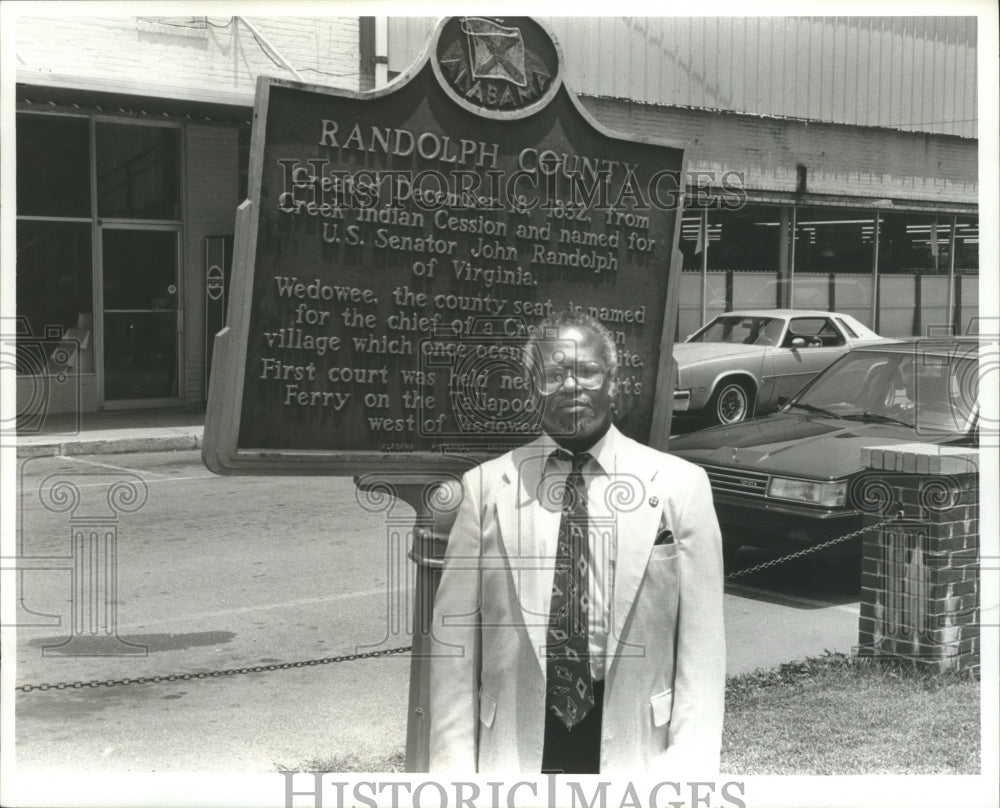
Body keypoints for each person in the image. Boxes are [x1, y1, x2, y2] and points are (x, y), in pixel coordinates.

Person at [428, 310, 726, 775]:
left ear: (612, 380)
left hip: (635, 745)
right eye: (553, 374)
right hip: (514, 743)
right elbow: (455, 653)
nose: (572, 385)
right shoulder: (485, 488)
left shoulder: (680, 486)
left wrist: (687, 774)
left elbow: (703, 653)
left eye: (586, 370)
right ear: (531, 388)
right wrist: (452, 779)